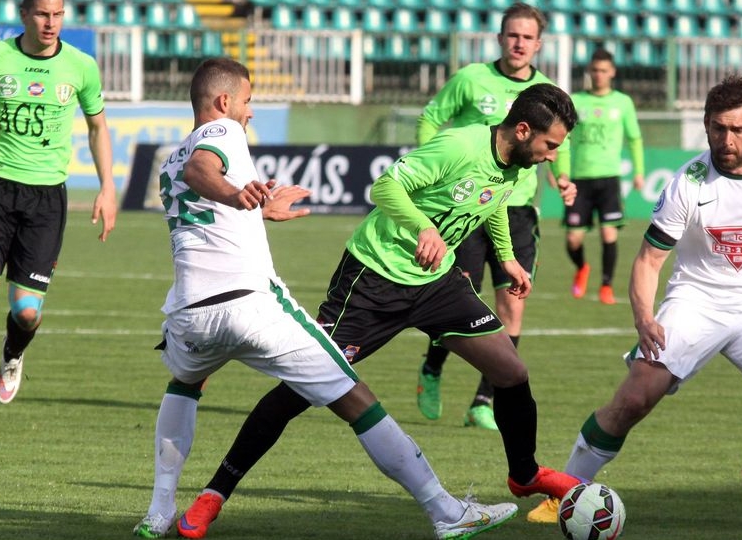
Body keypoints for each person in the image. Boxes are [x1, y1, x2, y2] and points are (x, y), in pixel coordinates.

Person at [149, 82, 585, 539]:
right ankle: (214, 494)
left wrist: (507, 257)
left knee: (511, 371)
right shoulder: (460, 145)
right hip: (372, 280)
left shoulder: (517, 164)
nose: (553, 155)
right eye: (551, 144)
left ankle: (524, 474)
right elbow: (386, 186)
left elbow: (492, 198)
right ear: (522, 130)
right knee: (300, 389)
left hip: (435, 281)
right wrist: (424, 228)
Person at [528, 75, 742, 525]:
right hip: (696, 300)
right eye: (718, 128)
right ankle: (565, 490)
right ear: (706, 125)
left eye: (737, 129)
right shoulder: (688, 182)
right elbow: (649, 260)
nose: (727, 139)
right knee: (635, 397)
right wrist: (644, 318)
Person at [0, 0, 116, 441]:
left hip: (46, 200)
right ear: (24, 15)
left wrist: (107, 187)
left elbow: (98, 128)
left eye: (58, 14)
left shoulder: (81, 67)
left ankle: (13, 352)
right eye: (42, 14)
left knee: (26, 311)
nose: (51, 22)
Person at [413, 1, 576, 431]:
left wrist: (563, 177)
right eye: (513, 35)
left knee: (512, 305)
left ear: (538, 44)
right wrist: (433, 164)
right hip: (469, 207)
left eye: (527, 37)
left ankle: (483, 401)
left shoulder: (547, 93)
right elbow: (431, 118)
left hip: (517, 211)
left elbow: (560, 145)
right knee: (457, 298)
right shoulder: (471, 79)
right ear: (500, 38)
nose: (519, 43)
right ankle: (432, 367)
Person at [562, 48, 644, 305]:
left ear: (612, 72)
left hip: (609, 178)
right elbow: (561, 136)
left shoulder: (623, 102)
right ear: (590, 71)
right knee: (573, 239)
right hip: (579, 178)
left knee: (609, 234)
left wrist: (639, 171)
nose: (599, 75)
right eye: (595, 70)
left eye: (604, 70)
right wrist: (559, 170)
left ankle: (606, 285)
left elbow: (634, 138)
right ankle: (582, 267)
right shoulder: (576, 101)